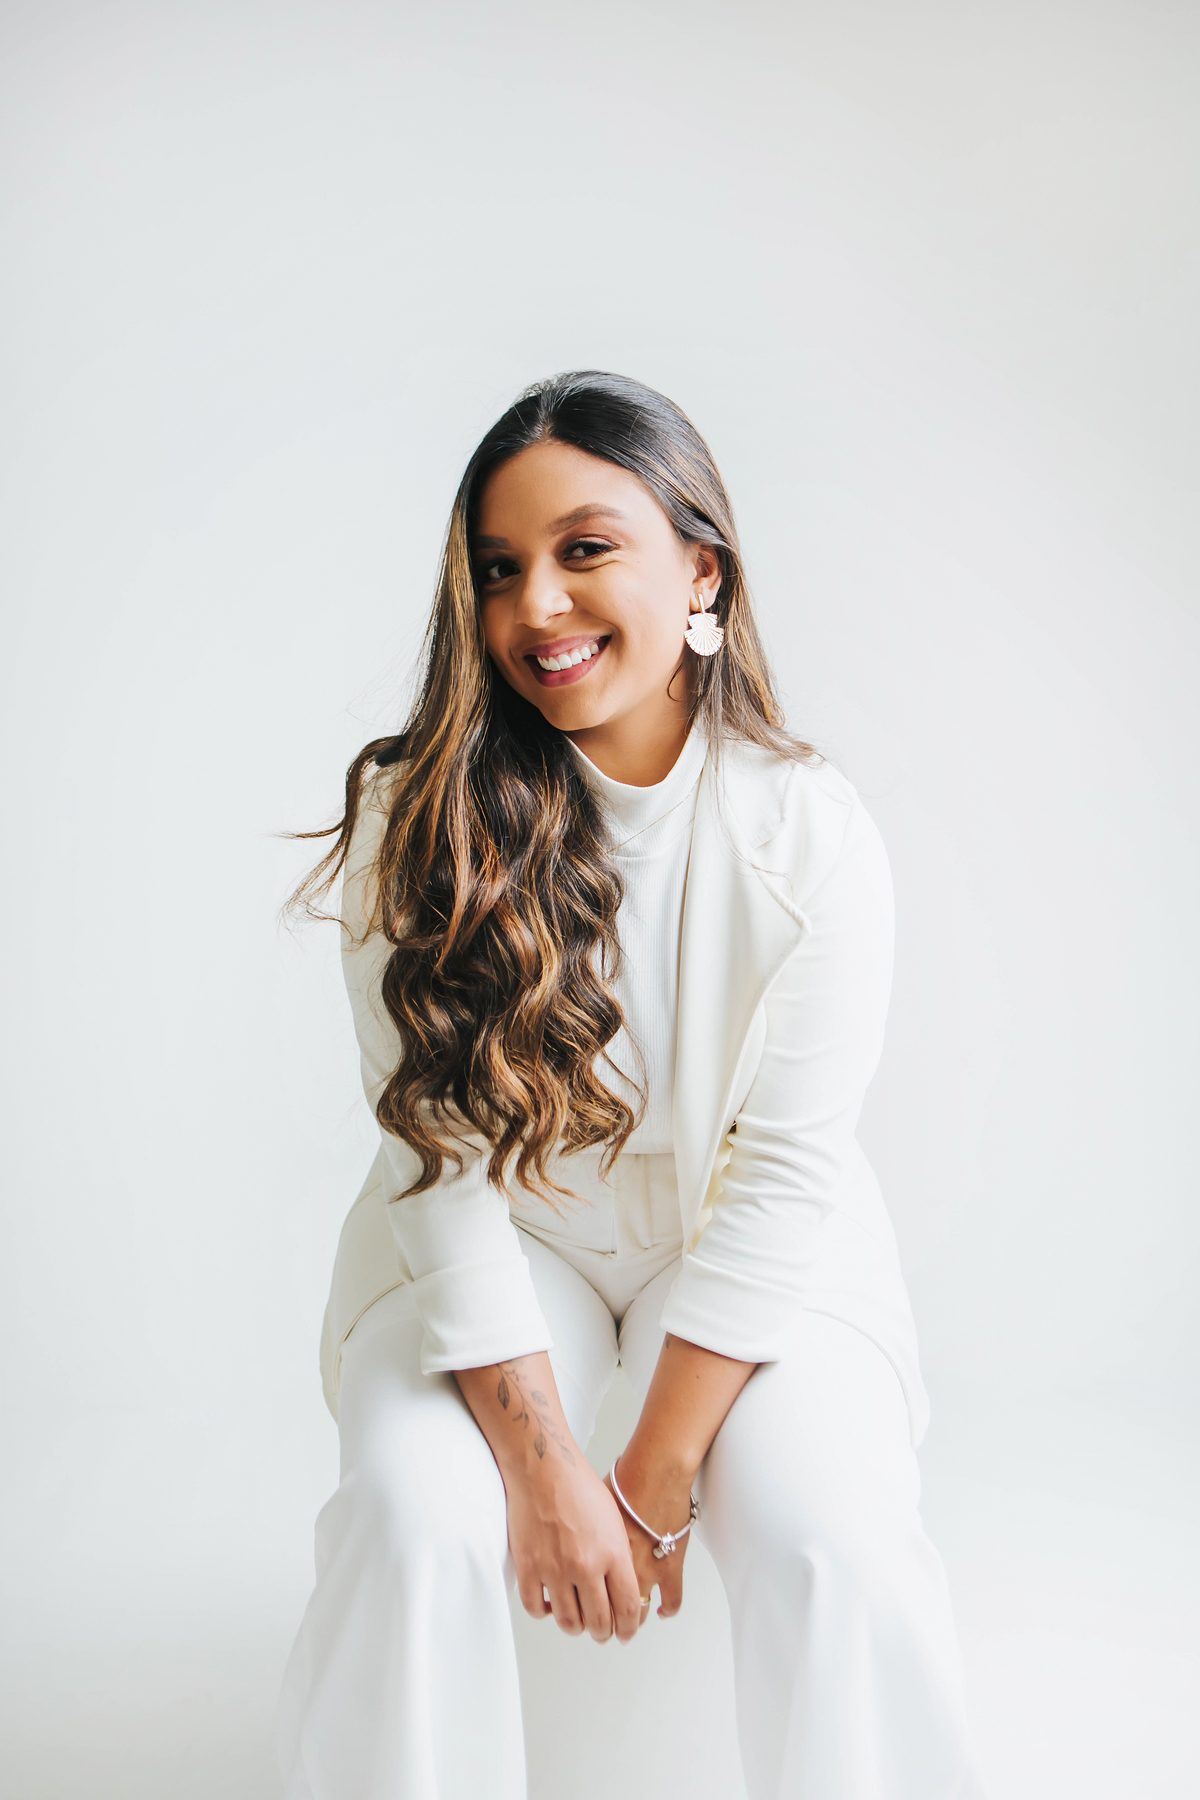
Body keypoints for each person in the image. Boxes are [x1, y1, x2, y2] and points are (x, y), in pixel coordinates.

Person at [276, 371, 982, 1799]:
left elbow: (784, 1176)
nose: (537, 604)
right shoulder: (416, 822)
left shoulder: (812, 833)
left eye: (586, 548)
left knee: (833, 1535)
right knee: (413, 1518)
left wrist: (651, 1483)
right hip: (495, 1233)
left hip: (744, 1237)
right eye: (499, 567)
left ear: (702, 573)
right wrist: (546, 1477)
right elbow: (439, 1159)